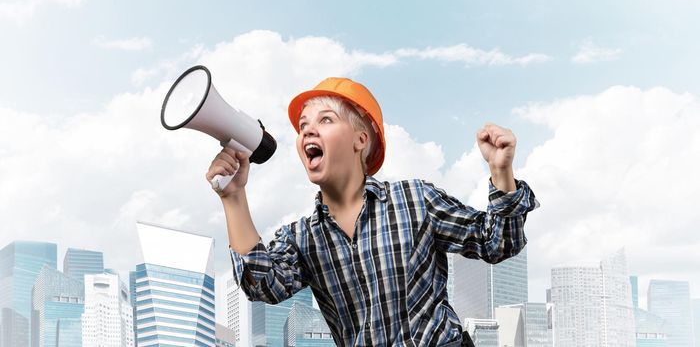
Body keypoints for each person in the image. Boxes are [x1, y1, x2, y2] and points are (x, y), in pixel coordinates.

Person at [207, 77, 539, 346]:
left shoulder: (415, 200)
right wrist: (233, 197)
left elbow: (496, 243)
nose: (307, 129)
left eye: (325, 119)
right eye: (303, 124)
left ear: (360, 140)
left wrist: (501, 173)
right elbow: (262, 285)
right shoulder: (301, 238)